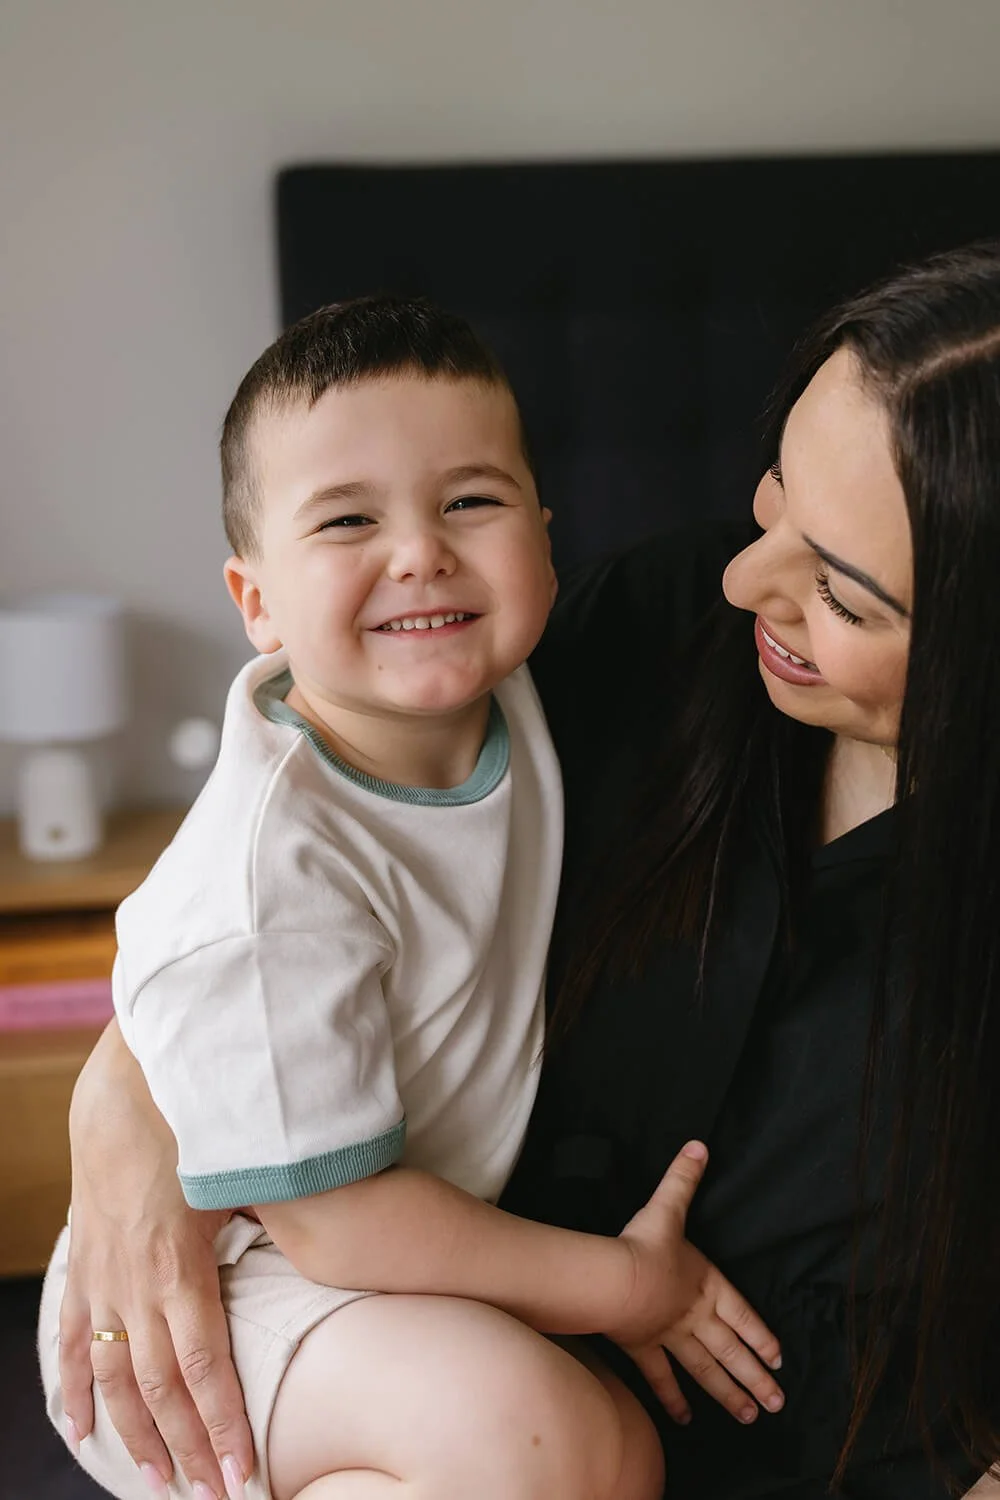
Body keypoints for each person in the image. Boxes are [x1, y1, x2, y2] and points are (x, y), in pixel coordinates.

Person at [42, 242, 1000, 1498]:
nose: (742, 580)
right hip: (394, 1345)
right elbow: (265, 883)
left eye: (842, 593)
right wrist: (126, 1108)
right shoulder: (649, 639)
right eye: (773, 503)